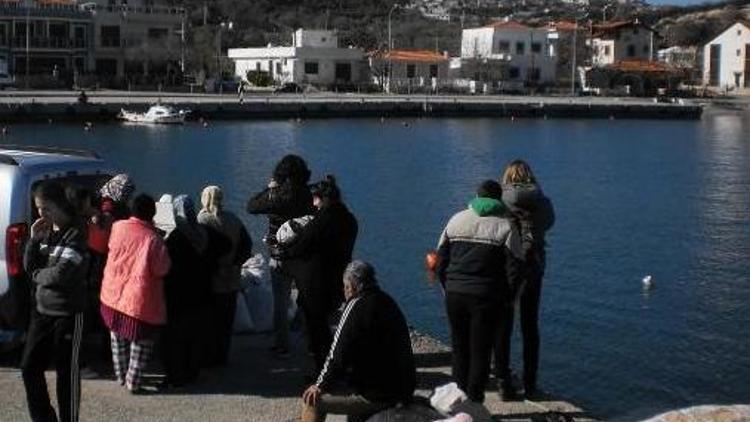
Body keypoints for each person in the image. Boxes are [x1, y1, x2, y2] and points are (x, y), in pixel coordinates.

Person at [436, 180, 522, 403]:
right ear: (498, 199)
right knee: (480, 350)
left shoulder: (456, 219)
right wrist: (509, 299)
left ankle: (456, 400)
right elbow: (515, 269)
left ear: (476, 197)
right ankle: (474, 402)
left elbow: (440, 261)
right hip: (486, 296)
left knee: (459, 347)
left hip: (455, 294)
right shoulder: (505, 225)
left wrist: (447, 287)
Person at [301, 261, 415, 422]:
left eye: (344, 287)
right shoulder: (388, 302)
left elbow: (337, 354)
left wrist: (319, 385)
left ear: (351, 287)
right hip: (402, 389)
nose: (344, 291)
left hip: (375, 396)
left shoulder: (355, 306)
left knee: (311, 401)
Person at [21, 182, 89, 422]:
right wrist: (32, 240)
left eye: (45, 208)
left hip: (67, 313)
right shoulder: (44, 232)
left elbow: (61, 274)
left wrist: (37, 276)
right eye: (38, 208)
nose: (41, 214)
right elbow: (28, 266)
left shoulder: (77, 233)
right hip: (42, 311)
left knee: (66, 374)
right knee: (29, 368)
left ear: (59, 205)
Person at [281, 175, 358, 374]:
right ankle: (337, 364)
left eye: (315, 199)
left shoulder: (322, 220)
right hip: (339, 277)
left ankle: (322, 370)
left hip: (316, 281)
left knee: (317, 328)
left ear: (323, 199)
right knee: (331, 324)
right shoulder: (349, 219)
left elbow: (301, 246)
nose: (313, 204)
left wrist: (283, 251)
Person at [494, 160, 555, 399]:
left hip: (508, 266)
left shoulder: (501, 200)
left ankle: (503, 381)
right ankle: (530, 385)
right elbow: (550, 222)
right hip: (535, 264)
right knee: (530, 326)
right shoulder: (542, 200)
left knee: (503, 324)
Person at [100, 194, 171, 393]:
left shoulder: (118, 227)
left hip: (112, 292)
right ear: (153, 213)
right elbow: (161, 269)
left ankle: (121, 375)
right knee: (141, 343)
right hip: (138, 300)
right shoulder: (153, 239)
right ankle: (133, 381)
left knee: (117, 338)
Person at [247, 155, 313, 357]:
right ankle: (311, 342)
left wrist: (270, 188)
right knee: (307, 301)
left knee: (281, 303)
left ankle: (282, 344)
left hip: (280, 255)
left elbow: (251, 206)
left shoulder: (277, 195)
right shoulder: (308, 194)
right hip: (303, 255)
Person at [198, 185, 252, 367]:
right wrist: (236, 263)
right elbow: (247, 245)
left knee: (209, 321)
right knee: (226, 321)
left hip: (211, 280)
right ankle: (222, 356)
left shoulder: (202, 220)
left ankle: (207, 356)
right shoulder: (234, 220)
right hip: (232, 279)